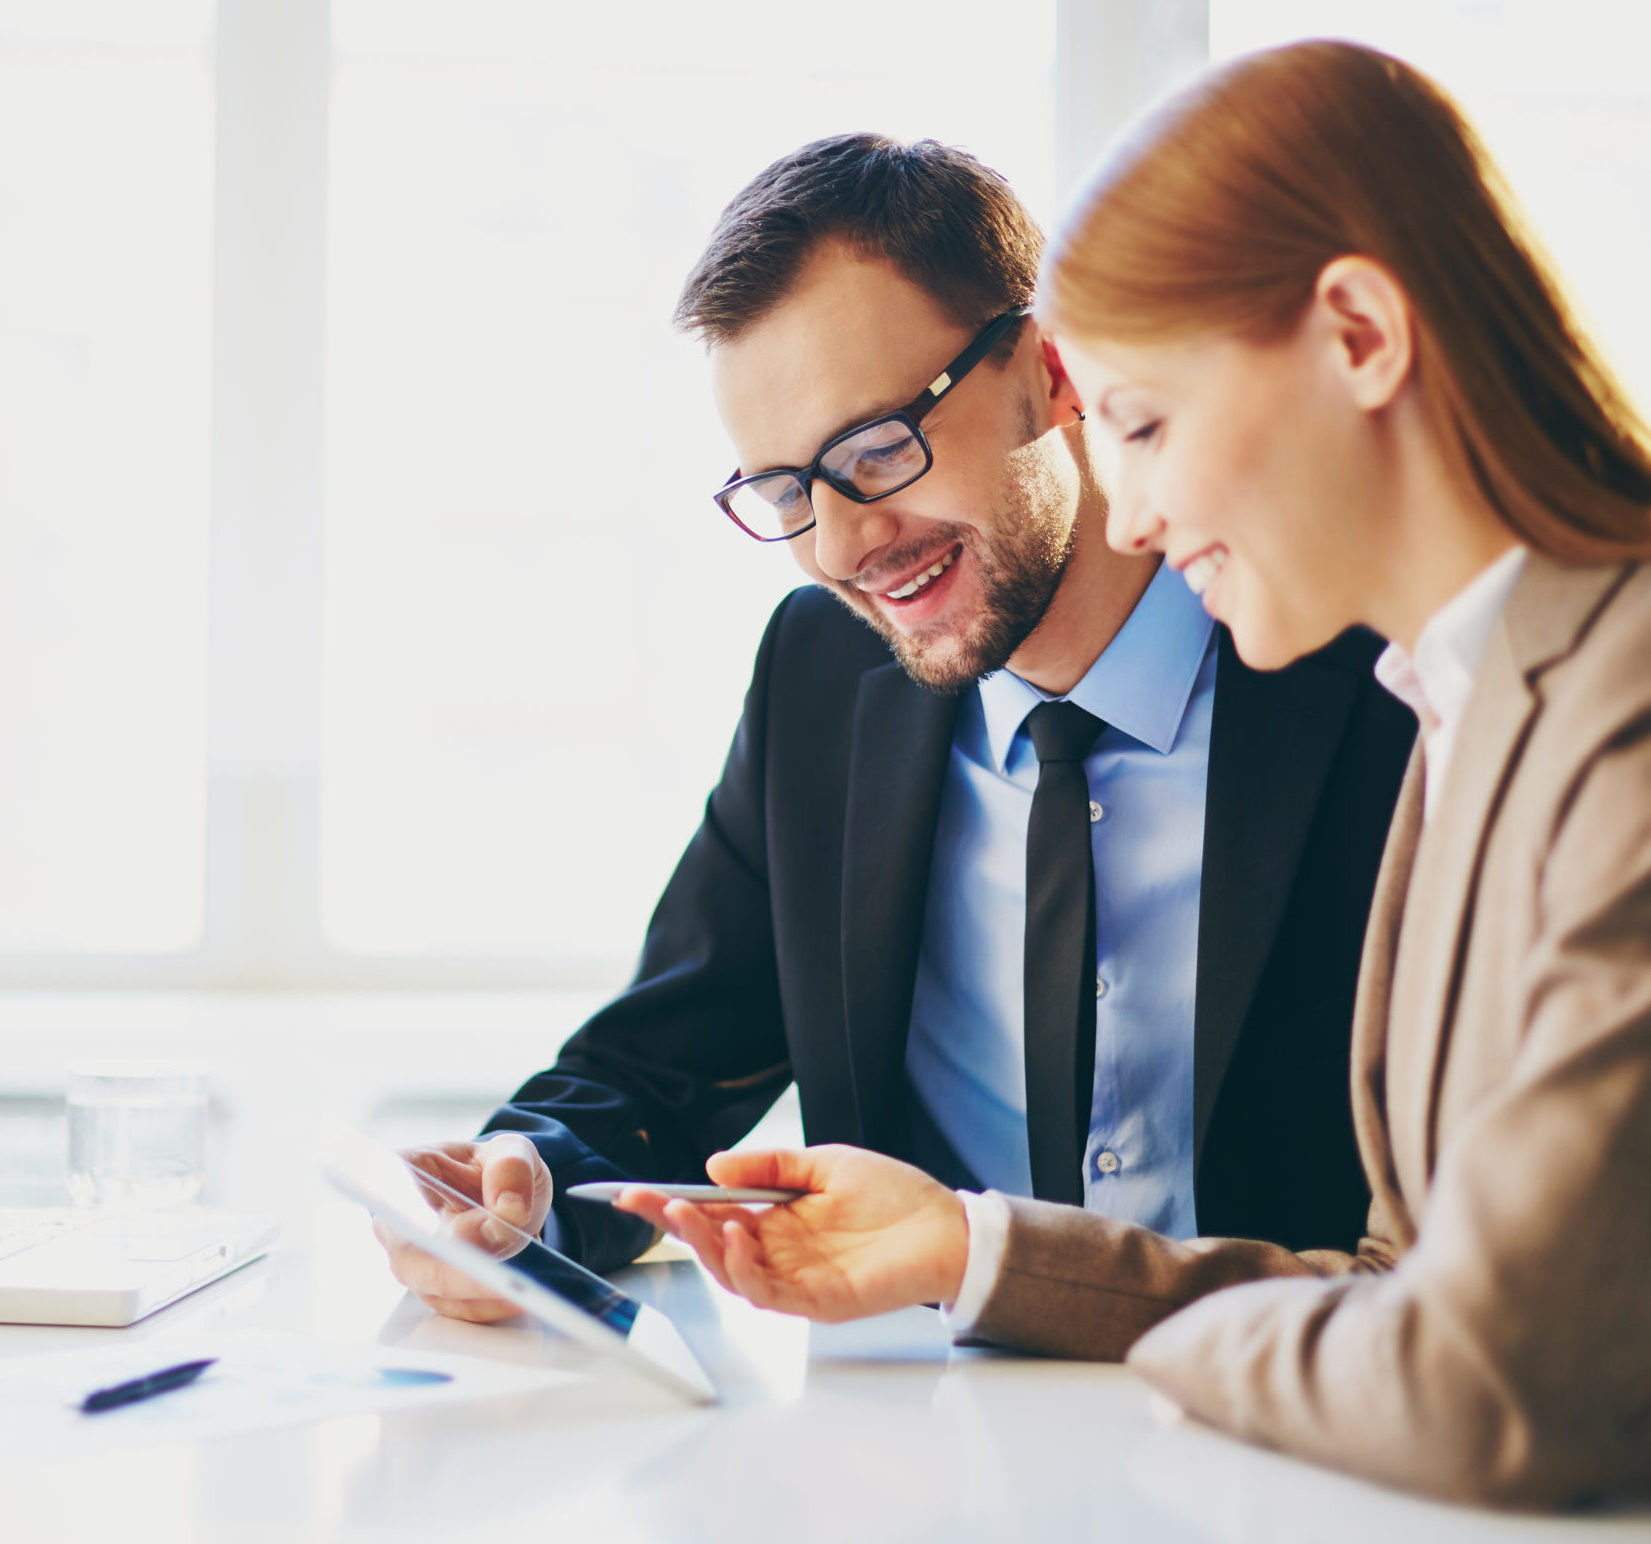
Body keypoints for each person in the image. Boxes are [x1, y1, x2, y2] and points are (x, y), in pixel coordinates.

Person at [619, 45, 1651, 1508]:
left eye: (1145, 425)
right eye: (787, 494)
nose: (1140, 511)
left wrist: (1146, 1358)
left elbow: (1483, 1369)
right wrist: (976, 1256)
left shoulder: (1586, 708)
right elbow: (1401, 1292)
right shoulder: (1469, 693)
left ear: (1357, 336)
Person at [377, 134, 1412, 1323]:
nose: (839, 547)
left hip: (1286, 1426)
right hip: (925, 1444)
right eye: (783, 491)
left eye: (877, 450)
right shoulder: (821, 676)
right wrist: (526, 1187)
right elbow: (661, 1059)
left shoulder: (1364, 669)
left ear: (1054, 367)